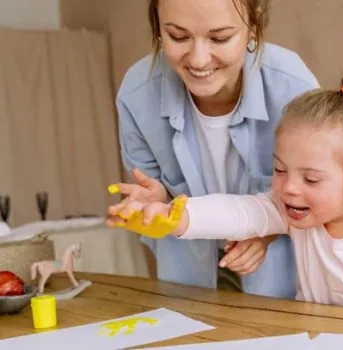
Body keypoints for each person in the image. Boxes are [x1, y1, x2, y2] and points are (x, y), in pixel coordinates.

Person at [107, 73, 343, 345]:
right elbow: (239, 213)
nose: (289, 188)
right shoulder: (296, 213)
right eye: (279, 170)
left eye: (312, 179)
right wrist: (173, 215)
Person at [110, 0, 319, 298]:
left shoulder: (293, 88)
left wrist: (267, 231)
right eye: (178, 37)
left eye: (220, 38)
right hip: (187, 282)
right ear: (158, 27)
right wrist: (159, 201)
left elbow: (321, 198)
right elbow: (157, 198)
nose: (198, 59)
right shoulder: (137, 95)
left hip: (281, 287)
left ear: (253, 26)